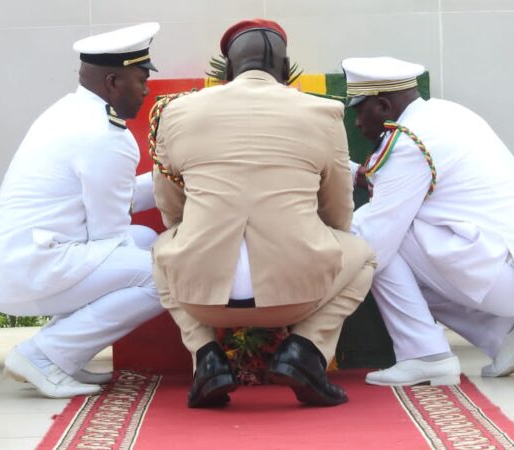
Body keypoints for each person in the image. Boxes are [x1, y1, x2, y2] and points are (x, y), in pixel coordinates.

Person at [151, 19, 376, 408]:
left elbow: (170, 205)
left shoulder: (177, 112)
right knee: (363, 256)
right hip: (298, 295)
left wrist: (193, 239)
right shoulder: (322, 112)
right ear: (287, 72)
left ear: (228, 71)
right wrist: (321, 244)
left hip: (201, 299)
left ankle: (206, 357)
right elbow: (339, 209)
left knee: (162, 248)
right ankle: (304, 351)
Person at [341, 56, 514, 386]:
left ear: (382, 105)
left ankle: (424, 355)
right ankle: (505, 333)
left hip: (500, 273)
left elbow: (374, 239)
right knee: (408, 249)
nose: (356, 124)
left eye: (357, 110)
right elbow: (386, 179)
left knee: (375, 244)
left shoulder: (408, 141)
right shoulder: (445, 114)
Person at [0, 23, 165, 398]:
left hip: (12, 260)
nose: (146, 88)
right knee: (166, 275)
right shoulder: (106, 135)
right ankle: (43, 356)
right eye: (141, 78)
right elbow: (110, 235)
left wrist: (172, 179)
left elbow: (113, 201)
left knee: (146, 239)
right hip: (31, 268)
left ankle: (64, 356)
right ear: (112, 81)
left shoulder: (69, 110)